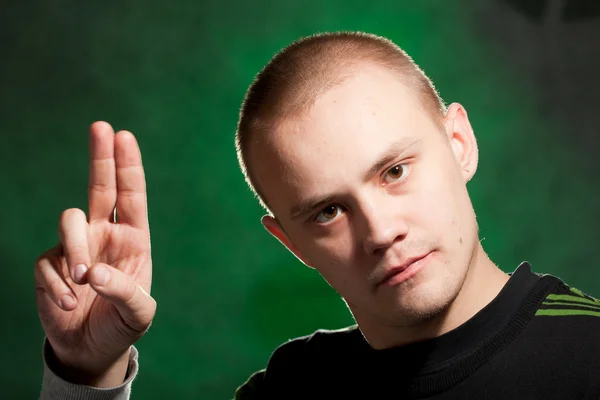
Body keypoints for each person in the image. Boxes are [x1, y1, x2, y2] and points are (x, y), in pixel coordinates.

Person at [37, 32, 600, 399]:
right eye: (329, 210)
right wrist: (85, 374)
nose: (381, 232)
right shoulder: (293, 390)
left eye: (394, 172)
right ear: (291, 243)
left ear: (460, 142)